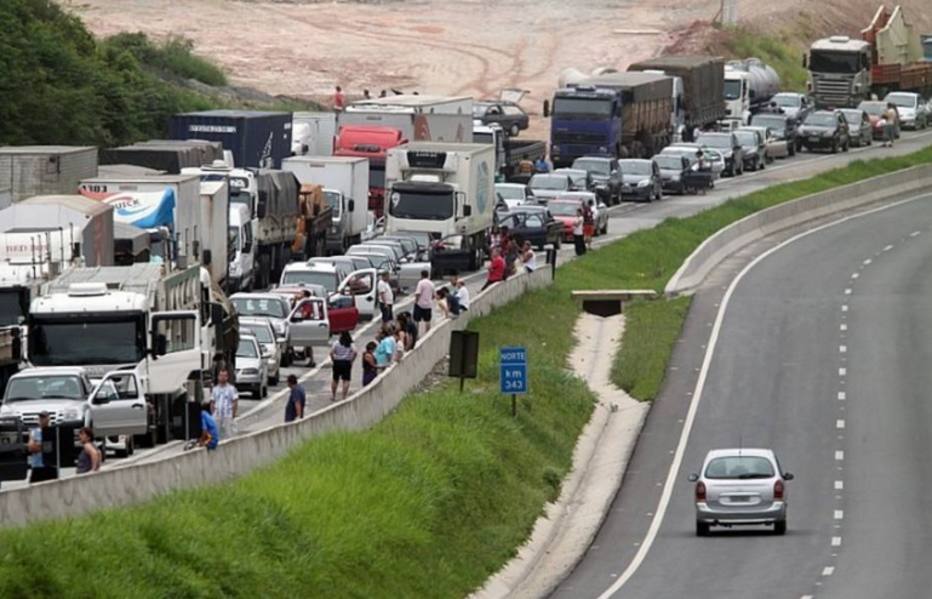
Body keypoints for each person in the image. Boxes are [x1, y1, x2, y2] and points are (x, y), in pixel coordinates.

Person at [27, 412, 57, 483]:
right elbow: (31, 447)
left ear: (48, 419)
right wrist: (42, 446)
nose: (41, 420)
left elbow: (49, 448)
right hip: (37, 466)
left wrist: (38, 444)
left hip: (49, 465)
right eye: (40, 418)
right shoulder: (34, 431)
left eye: (43, 418)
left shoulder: (53, 431)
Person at [211, 368, 238, 440]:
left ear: (227, 377)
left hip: (228, 415)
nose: (222, 377)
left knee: (228, 435)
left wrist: (233, 414)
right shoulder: (215, 389)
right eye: (221, 375)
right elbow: (212, 402)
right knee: (216, 435)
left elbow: (235, 401)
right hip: (217, 415)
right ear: (218, 377)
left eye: (224, 376)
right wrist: (213, 414)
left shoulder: (232, 389)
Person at [330, 331, 357, 402]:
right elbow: (355, 352)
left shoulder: (336, 343)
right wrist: (352, 360)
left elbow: (331, 352)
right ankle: (344, 396)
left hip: (337, 362)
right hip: (346, 362)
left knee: (335, 379)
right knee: (346, 380)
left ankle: (333, 395)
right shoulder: (350, 344)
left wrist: (333, 359)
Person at [414, 270, 435, 335]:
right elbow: (433, 295)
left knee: (417, 320)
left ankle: (416, 334)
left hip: (420, 304)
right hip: (428, 305)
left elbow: (418, 293)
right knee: (427, 320)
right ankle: (427, 334)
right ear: (428, 275)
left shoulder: (421, 283)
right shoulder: (431, 283)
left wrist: (416, 301)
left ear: (422, 275)